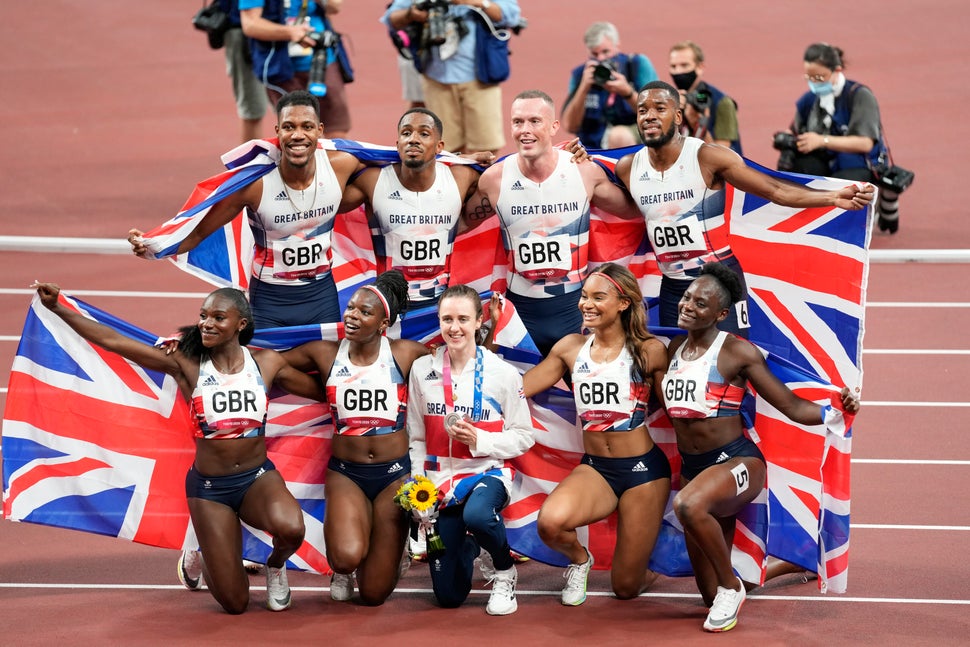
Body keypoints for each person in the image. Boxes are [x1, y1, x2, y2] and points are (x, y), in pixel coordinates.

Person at [32, 282, 325, 614]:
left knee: (291, 529)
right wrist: (58, 308)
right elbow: (115, 342)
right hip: (211, 489)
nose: (207, 324)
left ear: (240, 324)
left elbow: (325, 393)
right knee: (235, 603)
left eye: (218, 317)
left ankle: (275, 566)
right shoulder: (187, 364)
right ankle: (200, 547)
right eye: (203, 316)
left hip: (257, 479)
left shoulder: (266, 364)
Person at [662, 262, 860, 632]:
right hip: (694, 469)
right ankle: (788, 564)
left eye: (701, 304)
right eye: (687, 298)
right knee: (706, 595)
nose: (688, 306)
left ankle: (730, 586)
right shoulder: (673, 348)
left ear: (721, 314)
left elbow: (790, 405)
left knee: (688, 504)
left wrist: (835, 410)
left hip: (737, 463)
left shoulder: (737, 352)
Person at [614, 80, 874, 336]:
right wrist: (577, 160)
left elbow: (775, 189)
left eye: (660, 108)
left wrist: (832, 197)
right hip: (673, 286)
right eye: (642, 110)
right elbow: (610, 202)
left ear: (678, 116)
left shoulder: (707, 157)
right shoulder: (628, 168)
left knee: (728, 367)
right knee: (677, 368)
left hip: (719, 281)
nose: (649, 116)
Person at [129, 91, 369, 329]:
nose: (298, 135)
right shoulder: (256, 185)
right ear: (278, 132)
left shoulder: (342, 166)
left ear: (320, 130)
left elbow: (390, 173)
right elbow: (198, 233)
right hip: (269, 301)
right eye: (289, 127)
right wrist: (153, 246)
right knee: (265, 367)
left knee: (327, 366)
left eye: (307, 126)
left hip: (321, 296)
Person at [513, 263, 670, 606]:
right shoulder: (570, 348)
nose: (587, 304)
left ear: (623, 303)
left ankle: (649, 562)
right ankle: (580, 561)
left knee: (625, 588)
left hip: (643, 471)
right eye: (584, 296)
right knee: (550, 524)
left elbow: (676, 411)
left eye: (599, 297)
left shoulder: (650, 351)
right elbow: (520, 390)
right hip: (597, 468)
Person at [280, 270, 429, 605]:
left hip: (394, 476)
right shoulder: (325, 353)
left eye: (364, 312)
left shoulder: (404, 354)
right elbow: (266, 363)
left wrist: (488, 336)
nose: (352, 315)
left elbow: (455, 370)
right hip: (347, 473)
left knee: (374, 595)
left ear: (382, 325)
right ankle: (343, 568)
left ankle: (397, 548)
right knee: (346, 557)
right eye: (350, 308)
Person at [470, 89, 641, 356]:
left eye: (535, 121)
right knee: (514, 395)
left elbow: (636, 211)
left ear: (554, 127)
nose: (525, 130)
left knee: (588, 394)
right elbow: (453, 223)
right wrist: (458, 164)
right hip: (521, 313)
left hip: (575, 312)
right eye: (518, 122)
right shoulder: (494, 179)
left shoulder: (584, 171)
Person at [406, 284, 535, 615]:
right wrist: (418, 487)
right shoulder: (422, 370)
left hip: (486, 473)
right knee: (448, 596)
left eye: (463, 318)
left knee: (477, 514)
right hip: (440, 485)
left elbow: (524, 436)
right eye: (447, 319)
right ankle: (472, 544)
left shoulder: (503, 374)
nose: (454, 327)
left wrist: (482, 441)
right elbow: (417, 437)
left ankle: (505, 571)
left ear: (479, 321)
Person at [341, 108, 484, 309]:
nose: (413, 139)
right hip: (389, 304)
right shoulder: (374, 181)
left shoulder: (460, 177)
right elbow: (325, 201)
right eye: (406, 133)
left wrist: (463, 159)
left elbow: (500, 186)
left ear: (439, 146)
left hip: (438, 304)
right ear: (397, 145)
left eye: (424, 134)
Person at [779, 42, 901, 234]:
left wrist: (822, 140)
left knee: (844, 184)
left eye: (819, 77)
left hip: (855, 163)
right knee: (799, 168)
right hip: (824, 161)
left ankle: (880, 204)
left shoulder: (859, 96)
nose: (814, 83)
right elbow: (794, 130)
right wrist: (787, 139)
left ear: (837, 70)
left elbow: (865, 143)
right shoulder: (809, 100)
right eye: (809, 78)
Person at [382, 0, 523, 154]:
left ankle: (481, 179)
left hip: (480, 78)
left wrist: (472, 2)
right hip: (436, 79)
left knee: (486, 148)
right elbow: (392, 19)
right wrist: (411, 14)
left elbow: (511, 15)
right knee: (444, 149)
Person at [240, 0, 351, 138]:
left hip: (323, 58)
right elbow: (250, 24)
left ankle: (334, 159)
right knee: (297, 134)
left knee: (336, 130)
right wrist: (290, 32)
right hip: (281, 67)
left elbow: (334, 7)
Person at [560, 21, 658, 149]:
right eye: (594, 54)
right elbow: (570, 126)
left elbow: (656, 113)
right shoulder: (580, 74)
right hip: (593, 141)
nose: (600, 59)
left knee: (619, 136)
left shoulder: (636, 65)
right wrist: (583, 89)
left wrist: (627, 92)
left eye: (606, 52)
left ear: (617, 46)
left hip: (633, 135)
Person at [668, 40, 742, 155]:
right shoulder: (670, 100)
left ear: (700, 67)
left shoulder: (722, 102)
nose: (678, 71)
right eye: (673, 66)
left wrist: (695, 122)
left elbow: (721, 157)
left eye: (684, 65)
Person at [218, 0, 271, 143]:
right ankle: (252, 164)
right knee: (253, 109)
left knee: (299, 106)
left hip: (289, 31)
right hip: (244, 33)